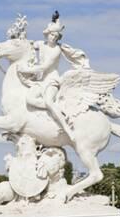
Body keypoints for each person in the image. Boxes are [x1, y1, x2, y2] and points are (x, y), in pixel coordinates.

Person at [18, 11, 80, 142]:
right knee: (29, 99)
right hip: (41, 80)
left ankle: (67, 128)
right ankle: (49, 117)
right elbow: (28, 46)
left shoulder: (56, 50)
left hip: (52, 80)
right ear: (47, 34)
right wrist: (21, 36)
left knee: (49, 102)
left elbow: (44, 67)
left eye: (56, 36)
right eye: (51, 35)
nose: (53, 37)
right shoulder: (41, 44)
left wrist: (26, 69)